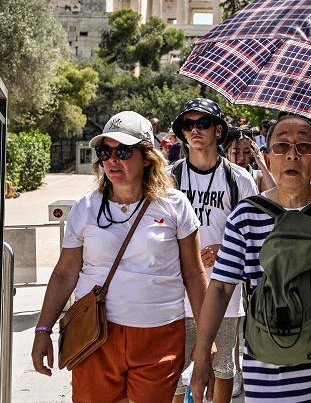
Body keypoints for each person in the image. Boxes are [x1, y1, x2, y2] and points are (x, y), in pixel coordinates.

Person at [190, 115, 311, 403]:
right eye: (282, 146)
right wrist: (202, 357)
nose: (292, 154)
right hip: (269, 373)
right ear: (268, 159)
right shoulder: (245, 216)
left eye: (304, 147)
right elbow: (220, 289)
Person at [31, 111, 207, 403]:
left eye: (123, 151)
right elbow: (65, 273)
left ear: (147, 156)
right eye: (105, 152)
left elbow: (193, 273)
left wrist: (205, 337)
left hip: (160, 335)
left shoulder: (175, 205)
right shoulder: (86, 207)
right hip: (95, 336)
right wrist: (42, 329)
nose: (112, 159)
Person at [169, 98, 259, 403]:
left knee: (222, 366)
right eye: (188, 125)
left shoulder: (239, 179)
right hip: (175, 292)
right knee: (174, 369)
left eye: (203, 123)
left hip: (224, 293)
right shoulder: (170, 178)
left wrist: (227, 249)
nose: (195, 130)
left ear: (218, 130)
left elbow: (256, 237)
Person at [223, 127, 276, 193]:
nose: (242, 157)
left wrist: (263, 168)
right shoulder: (218, 177)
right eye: (236, 153)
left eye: (246, 152)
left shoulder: (258, 177)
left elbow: (277, 197)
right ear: (226, 153)